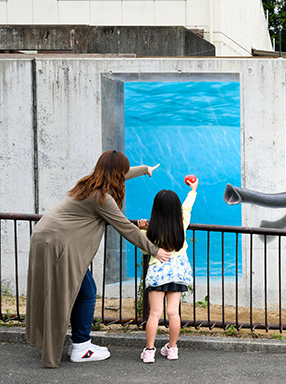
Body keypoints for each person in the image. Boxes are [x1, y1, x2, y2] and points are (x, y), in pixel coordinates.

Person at [25, 150, 172, 368]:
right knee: (86, 292)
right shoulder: (102, 198)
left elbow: (122, 175)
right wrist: (154, 250)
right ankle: (81, 346)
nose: (123, 176)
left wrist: (144, 170)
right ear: (116, 172)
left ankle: (80, 343)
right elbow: (125, 228)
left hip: (44, 236)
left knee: (81, 291)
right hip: (58, 243)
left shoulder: (88, 184)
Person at [138, 176, 197, 363]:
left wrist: (141, 230)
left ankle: (149, 351)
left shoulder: (151, 229)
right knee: (173, 313)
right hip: (178, 273)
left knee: (154, 313)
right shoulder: (181, 223)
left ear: (156, 208)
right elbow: (187, 207)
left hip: (157, 274)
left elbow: (143, 248)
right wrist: (193, 190)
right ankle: (172, 348)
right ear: (175, 209)